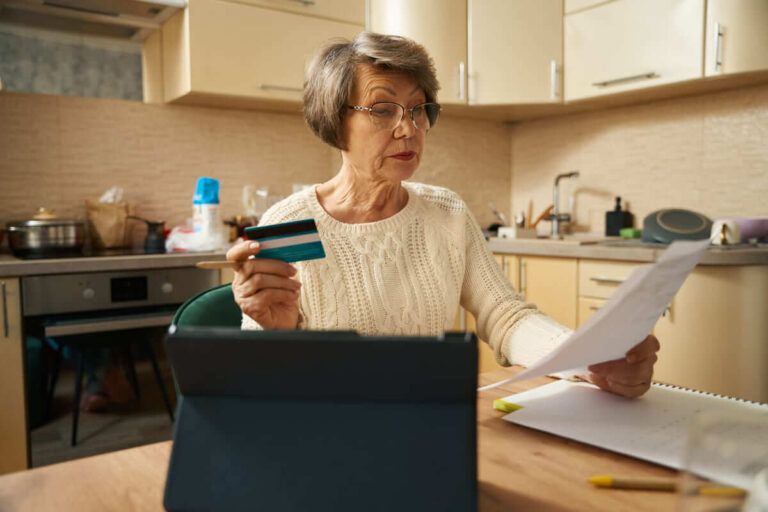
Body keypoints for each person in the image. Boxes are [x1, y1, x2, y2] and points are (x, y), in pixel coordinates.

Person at [226, 32, 659, 398]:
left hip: (432, 421)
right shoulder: (287, 223)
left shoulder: (446, 213)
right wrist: (273, 332)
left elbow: (505, 317)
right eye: (383, 109)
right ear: (335, 121)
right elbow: (254, 383)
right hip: (327, 428)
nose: (408, 128)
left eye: (418, 109)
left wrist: (586, 358)